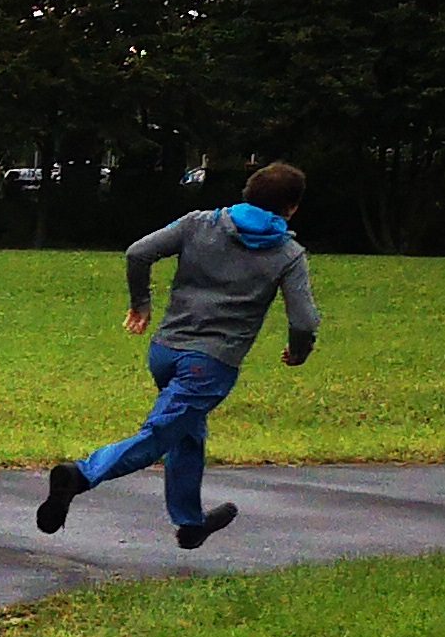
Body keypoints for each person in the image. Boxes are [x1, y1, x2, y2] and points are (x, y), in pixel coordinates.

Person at [40, 165, 322, 550]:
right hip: (211, 363)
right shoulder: (288, 254)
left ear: (246, 193)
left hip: (165, 351)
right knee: (159, 434)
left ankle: (190, 523)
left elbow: (138, 253)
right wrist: (300, 351)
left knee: (187, 432)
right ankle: (81, 475)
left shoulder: (199, 223)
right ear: (292, 208)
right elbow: (304, 320)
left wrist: (141, 303)